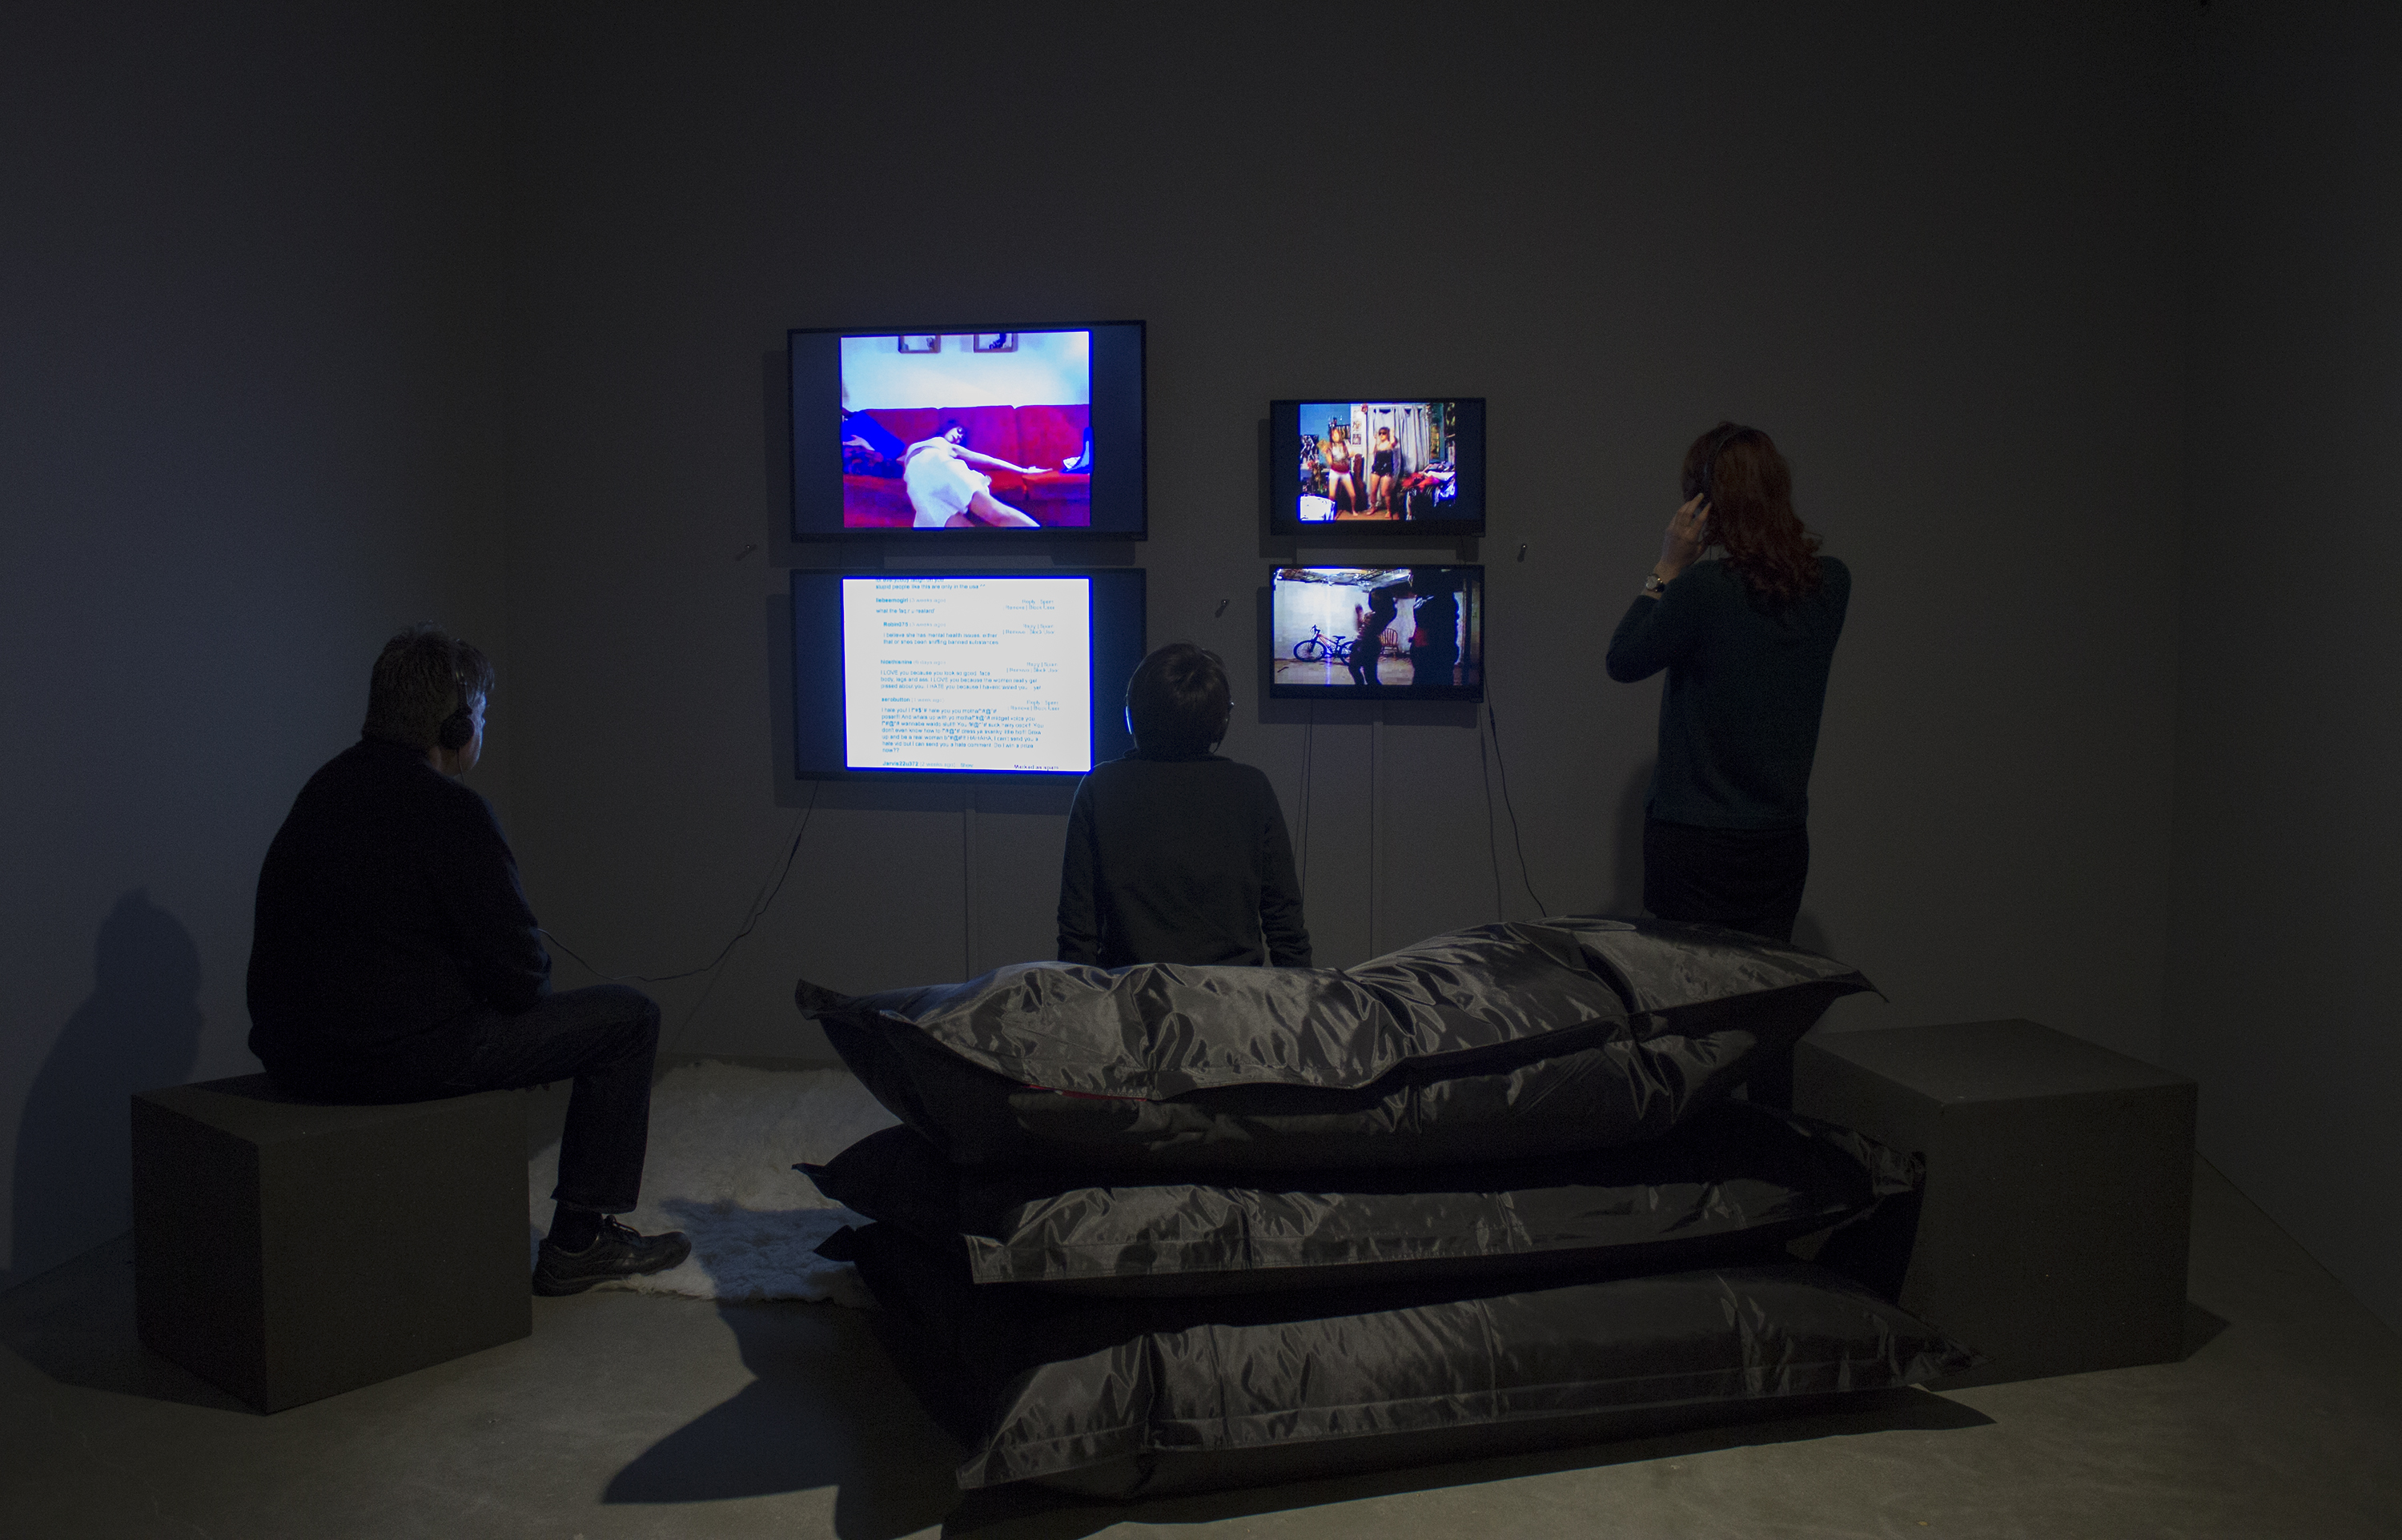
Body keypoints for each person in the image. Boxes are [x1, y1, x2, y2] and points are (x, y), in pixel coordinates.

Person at [247, 625, 690, 1296]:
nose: (480, 728)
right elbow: (522, 981)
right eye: (479, 714)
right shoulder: (452, 811)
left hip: (296, 1058)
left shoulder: (322, 789)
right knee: (629, 1019)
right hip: (399, 1060)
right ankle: (579, 1243)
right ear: (455, 726)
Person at [1603, 423, 1850, 1109]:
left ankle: (1687, 1159)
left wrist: (1666, 568)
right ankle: (1768, 1155)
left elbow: (1622, 659)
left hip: (1692, 841)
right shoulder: (1832, 585)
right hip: (1778, 842)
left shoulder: (1701, 591)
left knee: (1683, 1016)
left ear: (1707, 503)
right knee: (1768, 1013)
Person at [1057, 643, 1311, 969]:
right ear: (1222, 722)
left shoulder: (1099, 787)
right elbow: (1285, 925)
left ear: (1131, 716)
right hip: (1232, 996)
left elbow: (1077, 933)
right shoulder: (1251, 787)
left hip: (1131, 996)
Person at [901, 419, 1049, 528]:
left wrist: (1024, 470)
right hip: (918, 485)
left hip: (941, 465)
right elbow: (894, 460)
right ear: (949, 427)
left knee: (995, 513)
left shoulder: (947, 447)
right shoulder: (931, 441)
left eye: (962, 438)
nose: (959, 437)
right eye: (959, 431)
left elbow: (988, 460)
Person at [1348, 580, 1407, 686]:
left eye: (1375, 598)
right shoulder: (1374, 614)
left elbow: (1370, 629)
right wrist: (1359, 614)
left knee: (1369, 675)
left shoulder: (1383, 615)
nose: (1372, 600)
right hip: (1364, 643)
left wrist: (1393, 599)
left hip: (1369, 644)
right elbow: (1360, 628)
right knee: (1355, 669)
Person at [1324, 425, 1360, 515]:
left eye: (1336, 433)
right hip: (1335, 471)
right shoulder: (1330, 445)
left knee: (1353, 495)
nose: (1334, 436)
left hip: (1345, 472)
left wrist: (1345, 456)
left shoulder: (1346, 443)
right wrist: (1327, 454)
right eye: (1332, 434)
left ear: (1340, 434)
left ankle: (1353, 510)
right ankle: (1330, 512)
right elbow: (1330, 462)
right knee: (1332, 495)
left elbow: (1352, 453)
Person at [1368, 425, 1399, 517]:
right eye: (1380, 433)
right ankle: (1373, 507)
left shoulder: (1390, 444)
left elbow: (1393, 442)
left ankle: (1389, 510)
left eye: (1384, 433)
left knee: (1385, 492)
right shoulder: (1378, 445)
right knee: (1373, 490)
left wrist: (1392, 434)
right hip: (1377, 467)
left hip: (1387, 469)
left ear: (1387, 434)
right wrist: (1374, 439)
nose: (1381, 435)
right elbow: (1371, 452)